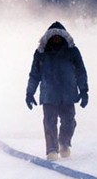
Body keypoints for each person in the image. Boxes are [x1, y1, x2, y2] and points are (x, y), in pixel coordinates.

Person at [25, 21, 89, 161]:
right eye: (53, 37)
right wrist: (30, 93)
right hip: (49, 94)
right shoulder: (41, 53)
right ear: (48, 38)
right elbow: (34, 74)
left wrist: (84, 91)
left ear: (64, 37)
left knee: (69, 122)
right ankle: (52, 150)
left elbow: (81, 72)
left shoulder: (72, 52)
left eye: (59, 37)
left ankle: (64, 143)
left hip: (68, 94)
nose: (56, 39)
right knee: (49, 122)